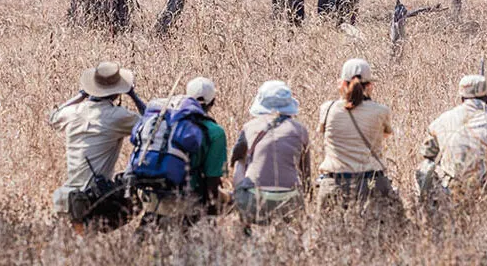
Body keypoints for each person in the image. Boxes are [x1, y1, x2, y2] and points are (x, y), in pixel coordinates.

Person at [49, 61, 146, 231]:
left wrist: (81, 95)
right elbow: (152, 124)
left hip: (65, 198)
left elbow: (54, 117)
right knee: (133, 200)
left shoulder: (73, 112)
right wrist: (133, 95)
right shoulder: (117, 116)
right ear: (117, 93)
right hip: (93, 199)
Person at [416, 74, 487, 207]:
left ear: (462, 98)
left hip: (451, 189)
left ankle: (426, 210)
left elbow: (428, 153)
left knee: (425, 166)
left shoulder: (442, 120)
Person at [135, 77, 227, 227]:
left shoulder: (169, 122)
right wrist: (211, 215)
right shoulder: (215, 132)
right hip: (189, 200)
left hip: (157, 193)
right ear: (213, 102)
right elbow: (212, 179)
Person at [316, 58, 400, 213]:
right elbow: (385, 135)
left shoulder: (327, 109)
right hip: (372, 184)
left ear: (341, 83)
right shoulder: (380, 111)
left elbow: (322, 133)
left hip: (334, 184)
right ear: (370, 86)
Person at [231, 80, 311, 226]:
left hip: (254, 200)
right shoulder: (300, 130)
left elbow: (235, 159)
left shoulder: (249, 127)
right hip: (290, 201)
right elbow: (306, 174)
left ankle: (243, 221)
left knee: (240, 162)